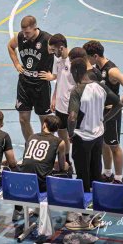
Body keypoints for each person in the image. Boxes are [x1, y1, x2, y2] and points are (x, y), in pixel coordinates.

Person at [83, 41, 123, 184]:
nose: (87, 60)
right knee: (104, 144)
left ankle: (118, 178)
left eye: (87, 57)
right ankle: (107, 173)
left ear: (95, 56)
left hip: (111, 113)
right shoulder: (96, 68)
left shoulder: (112, 71)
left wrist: (119, 104)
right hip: (100, 111)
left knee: (113, 145)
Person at [67, 58, 123, 193]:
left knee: (82, 173)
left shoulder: (77, 91)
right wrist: (104, 119)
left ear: (76, 71)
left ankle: (85, 209)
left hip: (82, 137)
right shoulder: (101, 86)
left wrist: (70, 133)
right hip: (98, 136)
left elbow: (72, 117)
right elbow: (118, 104)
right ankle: (96, 201)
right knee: (96, 169)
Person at [7, 15, 54, 141]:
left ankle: (46, 148)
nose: (25, 35)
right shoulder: (21, 36)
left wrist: (53, 76)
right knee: (23, 119)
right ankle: (31, 145)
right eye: (23, 32)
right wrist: (16, 63)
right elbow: (10, 46)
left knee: (44, 121)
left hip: (41, 84)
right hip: (24, 82)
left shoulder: (48, 40)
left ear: (35, 28)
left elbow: (65, 58)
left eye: (27, 32)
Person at [13, 115, 65, 221]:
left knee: (25, 170)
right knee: (67, 171)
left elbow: (29, 159)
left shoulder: (31, 137)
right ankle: (68, 210)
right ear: (57, 129)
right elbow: (61, 166)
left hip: (22, 183)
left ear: (44, 125)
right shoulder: (59, 142)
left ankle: (18, 210)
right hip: (41, 185)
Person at [48, 34, 74, 168]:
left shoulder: (74, 62)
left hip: (71, 108)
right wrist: (54, 97)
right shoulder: (57, 61)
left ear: (61, 48)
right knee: (62, 134)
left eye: (54, 50)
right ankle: (67, 160)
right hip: (59, 106)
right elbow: (58, 80)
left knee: (74, 137)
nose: (52, 52)